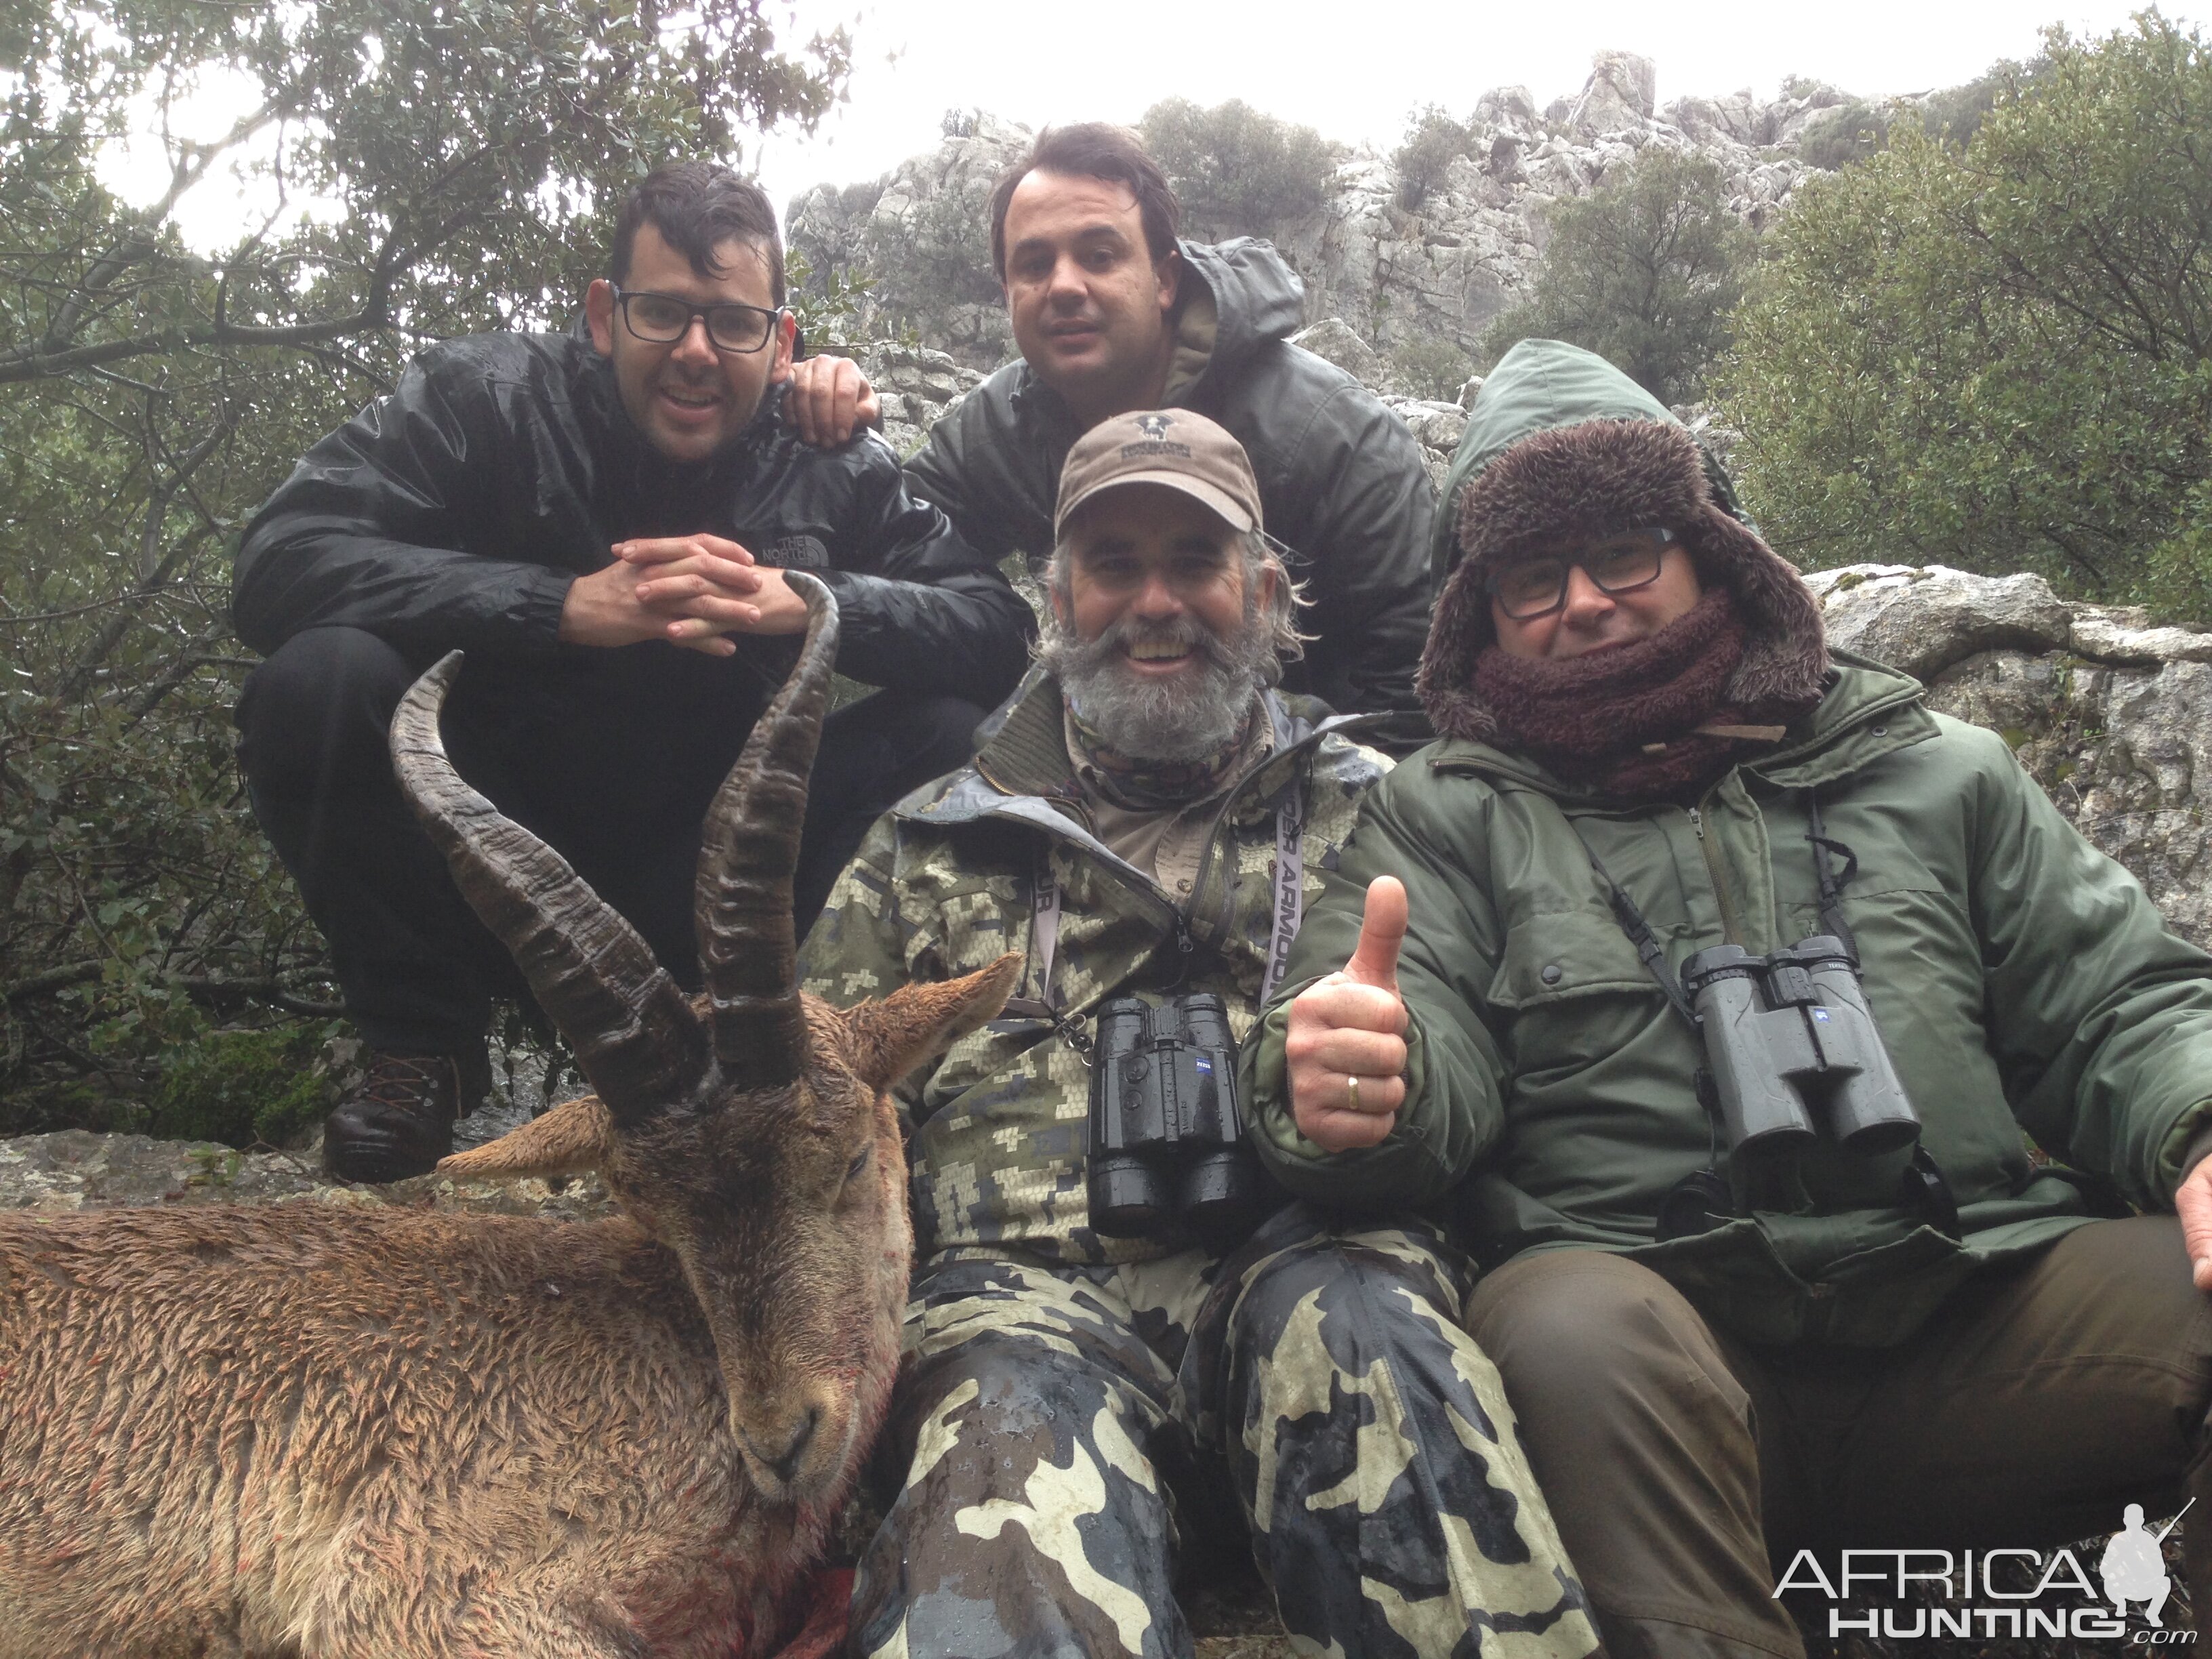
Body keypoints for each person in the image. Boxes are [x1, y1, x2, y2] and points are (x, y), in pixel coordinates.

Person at [1243, 337, 2212, 1656]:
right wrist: (1362, 1088)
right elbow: (1422, 1053)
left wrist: (2200, 1127)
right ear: (1482, 610)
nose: (1583, 601)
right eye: (1534, 576)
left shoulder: (1941, 770)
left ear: (1714, 548)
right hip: (1658, 1376)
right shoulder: (1444, 818)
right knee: (1568, 1325)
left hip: (1983, 1321)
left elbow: (2119, 1007)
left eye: (1624, 553)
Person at [799, 409, 1597, 1659]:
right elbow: (813, 1124)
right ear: (1056, 597)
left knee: (1368, 1331)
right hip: (1020, 1309)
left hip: (1311, 1262)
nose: (1155, 601)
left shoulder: (1391, 814)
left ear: (1265, 590)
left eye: (1196, 561)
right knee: (997, 1452)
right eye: (1114, 564)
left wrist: (1406, 1076)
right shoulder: (918, 846)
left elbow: (1499, 1078)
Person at [232, 162, 1033, 1183]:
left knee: (951, 726)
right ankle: (416, 1052)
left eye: (733, 324)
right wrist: (560, 606)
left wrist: (809, 603)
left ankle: (819, 1060)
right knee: (320, 678)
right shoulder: (487, 397)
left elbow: (994, 625)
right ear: (605, 315)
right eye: (665, 314)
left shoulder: (824, 453)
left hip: (707, 887)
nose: (697, 353)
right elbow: (278, 559)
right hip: (487, 857)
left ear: (779, 341)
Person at [783, 123, 1435, 750]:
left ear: (1165, 279)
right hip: (1100, 765)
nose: (1064, 286)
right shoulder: (1001, 428)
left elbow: (1405, 699)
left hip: (1298, 790)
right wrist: (812, 414)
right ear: (1008, 292)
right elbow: (886, 552)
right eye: (1034, 265)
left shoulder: (1334, 440)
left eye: (1099, 255)